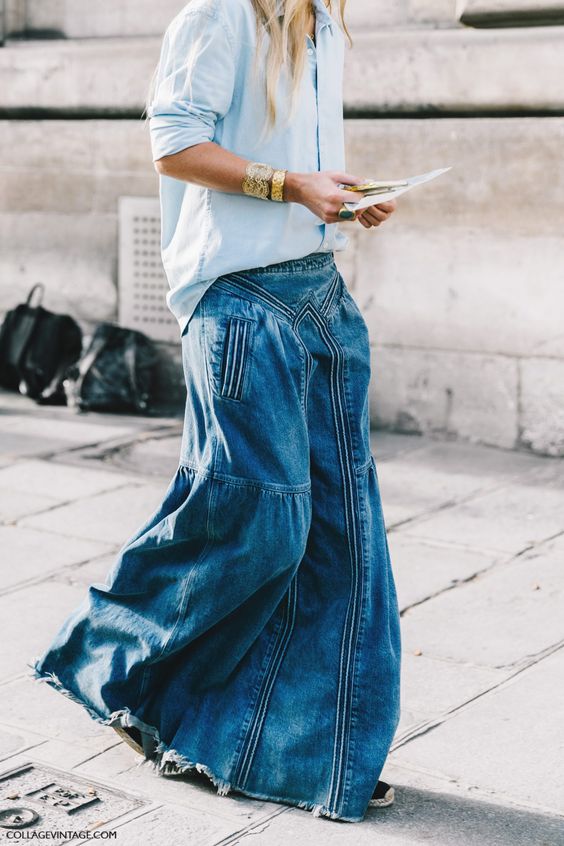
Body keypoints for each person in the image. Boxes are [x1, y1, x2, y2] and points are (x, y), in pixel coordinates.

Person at [29, 0, 401, 824]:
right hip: (238, 301)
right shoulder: (219, 16)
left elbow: (296, 170)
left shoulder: (324, 25)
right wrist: (288, 185)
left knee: (342, 537)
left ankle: (301, 748)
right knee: (257, 523)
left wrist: (337, 196)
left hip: (319, 294)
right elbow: (173, 146)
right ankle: (108, 654)